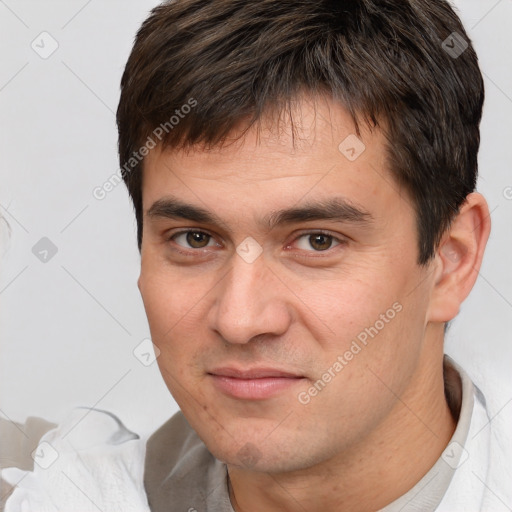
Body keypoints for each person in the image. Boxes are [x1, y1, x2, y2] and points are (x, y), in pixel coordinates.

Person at [1, 1, 510, 511]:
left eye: (317, 241)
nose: (239, 320)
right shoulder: (47, 492)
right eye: (194, 239)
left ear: (451, 259)